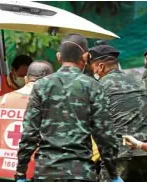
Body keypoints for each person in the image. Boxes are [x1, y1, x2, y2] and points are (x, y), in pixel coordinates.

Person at [15, 34, 122, 182]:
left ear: (59, 57)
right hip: (80, 172)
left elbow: (29, 133)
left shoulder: (41, 86)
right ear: (86, 57)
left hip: (45, 172)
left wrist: (20, 172)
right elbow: (104, 135)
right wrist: (113, 174)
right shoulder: (92, 86)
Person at [87, 45, 147, 182]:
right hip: (146, 152)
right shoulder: (139, 82)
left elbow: (94, 124)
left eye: (93, 67)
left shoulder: (98, 87)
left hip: (118, 155)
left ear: (100, 66)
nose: (93, 71)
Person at [0, 61, 54, 182]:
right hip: (32, 172)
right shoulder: (49, 104)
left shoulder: (4, 99)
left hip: (1, 171)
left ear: (26, 79)